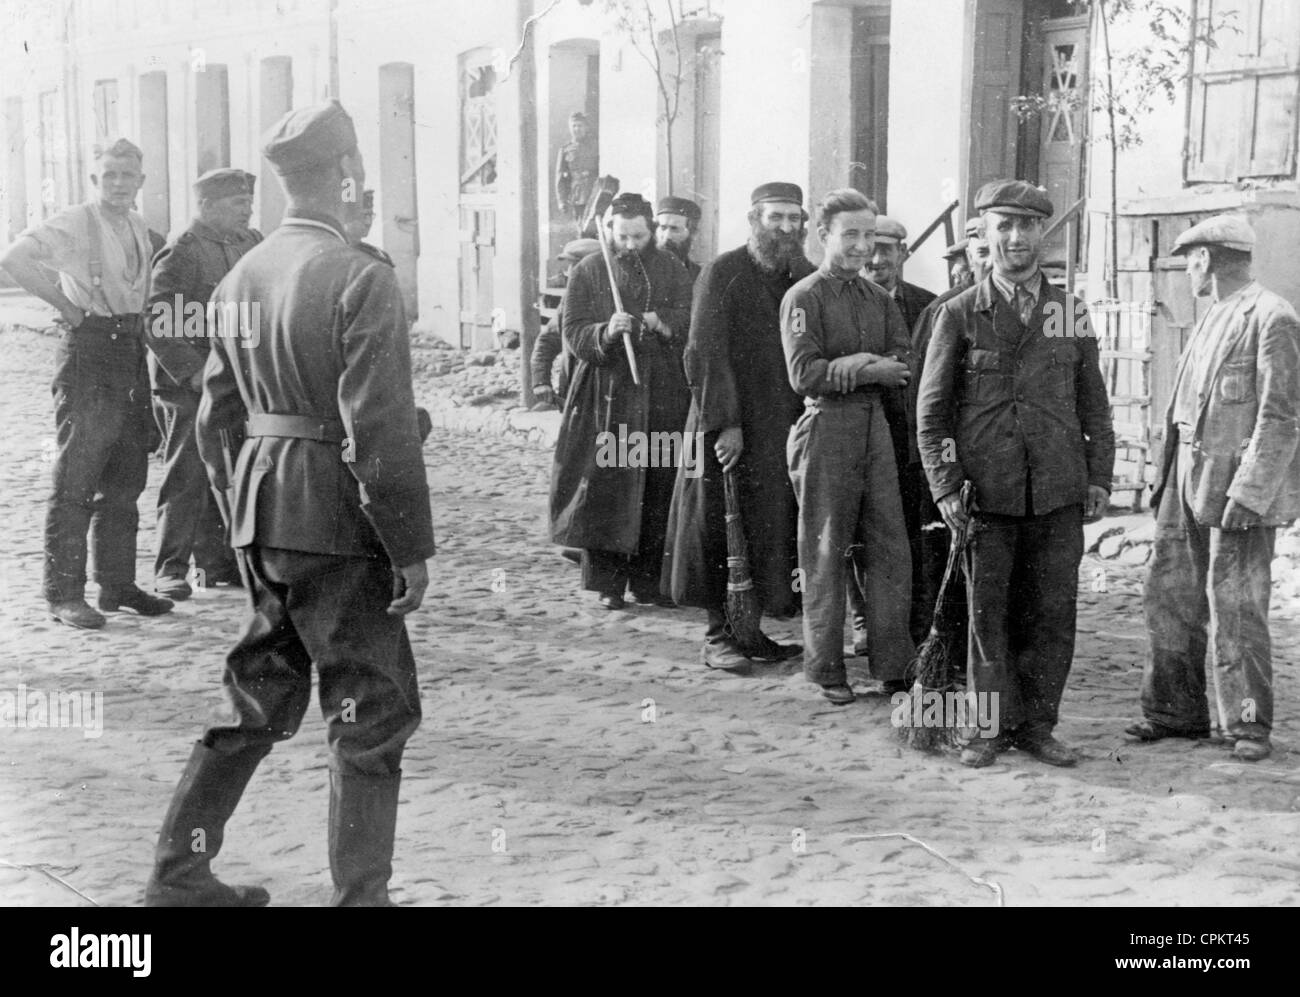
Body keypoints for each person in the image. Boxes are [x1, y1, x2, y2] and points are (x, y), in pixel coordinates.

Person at [144, 100, 435, 907]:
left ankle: (178, 875)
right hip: (340, 524)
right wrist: (410, 544)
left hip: (262, 514)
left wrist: (244, 506)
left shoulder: (241, 274)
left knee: (258, 701)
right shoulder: (361, 276)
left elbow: (213, 419)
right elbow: (377, 430)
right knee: (371, 714)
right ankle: (361, 899)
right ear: (345, 177)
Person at [917, 179, 1114, 768]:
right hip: (988, 494)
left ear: (1041, 234)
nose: (1017, 238)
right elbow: (933, 415)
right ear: (984, 234)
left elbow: (1094, 404)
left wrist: (1099, 475)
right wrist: (947, 485)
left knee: (1053, 614)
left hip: (1057, 490)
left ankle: (1038, 726)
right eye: (1004, 225)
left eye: (1027, 226)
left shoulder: (1066, 313)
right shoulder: (959, 314)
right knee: (988, 616)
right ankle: (987, 730)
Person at [1127, 214, 1300, 762]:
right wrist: (1164, 483)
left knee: (1237, 609)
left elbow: (1281, 418)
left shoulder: (1272, 317)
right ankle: (1174, 713)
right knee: (1171, 595)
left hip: (1236, 492)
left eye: (1191, 260)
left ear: (1206, 258)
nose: (1188, 270)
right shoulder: (1209, 317)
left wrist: (1250, 493)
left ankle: (1247, 726)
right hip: (1184, 480)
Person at [0, 138, 174, 629]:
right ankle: (64, 595)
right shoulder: (78, 222)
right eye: (109, 175)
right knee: (78, 475)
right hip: (90, 351)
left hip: (129, 350)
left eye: (128, 175)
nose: (118, 184)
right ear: (94, 180)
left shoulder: (137, 225)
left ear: (140, 182)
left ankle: (116, 585)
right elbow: (14, 257)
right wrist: (68, 308)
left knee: (125, 476)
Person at [662, 182, 814, 671]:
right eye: (776, 218)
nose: (786, 228)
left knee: (767, 526)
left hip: (781, 424)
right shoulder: (722, 272)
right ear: (755, 220)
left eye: (794, 218)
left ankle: (752, 631)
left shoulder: (804, 275)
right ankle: (717, 635)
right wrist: (725, 423)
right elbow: (702, 351)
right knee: (718, 524)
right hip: (725, 422)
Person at [781, 188, 915, 704]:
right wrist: (864, 364)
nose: (862, 247)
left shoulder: (879, 300)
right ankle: (825, 668)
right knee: (824, 549)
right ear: (823, 236)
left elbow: (901, 364)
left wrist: (853, 367)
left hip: (873, 428)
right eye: (850, 234)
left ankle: (893, 665)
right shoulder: (802, 298)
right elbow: (804, 375)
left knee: (888, 547)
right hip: (825, 430)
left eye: (868, 235)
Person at [550, 192, 692, 610]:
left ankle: (650, 583)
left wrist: (659, 322)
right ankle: (609, 584)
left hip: (661, 395)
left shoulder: (671, 268)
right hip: (606, 396)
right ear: (608, 229)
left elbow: (689, 316)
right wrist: (607, 331)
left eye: (639, 236)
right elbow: (573, 332)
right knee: (607, 486)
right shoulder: (591, 270)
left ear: (651, 232)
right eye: (623, 235)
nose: (631, 244)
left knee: (656, 483)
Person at [145, 167, 262, 600]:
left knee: (230, 465)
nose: (246, 209)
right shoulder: (183, 251)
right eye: (237, 203)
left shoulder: (251, 243)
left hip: (234, 380)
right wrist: (194, 373)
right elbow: (159, 321)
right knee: (187, 471)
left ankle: (217, 565)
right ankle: (169, 568)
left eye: (248, 202)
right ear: (207, 205)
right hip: (188, 386)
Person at [904, 215, 992, 657]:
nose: (991, 261)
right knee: (941, 555)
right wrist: (938, 465)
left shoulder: (1040, 310)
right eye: (981, 252)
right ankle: (939, 653)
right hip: (949, 457)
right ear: (968, 259)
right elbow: (926, 396)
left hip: (998, 462)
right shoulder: (948, 310)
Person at [851, 214, 937, 649]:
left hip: (907, 436)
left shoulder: (929, 305)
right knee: (856, 530)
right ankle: (863, 615)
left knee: (908, 529)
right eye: (871, 246)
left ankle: (911, 623)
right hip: (857, 431)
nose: (877, 257)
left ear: (903, 254)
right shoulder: (841, 299)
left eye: (888, 249)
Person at [530, 237, 600, 410]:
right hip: (574, 391)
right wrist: (541, 381)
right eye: (569, 267)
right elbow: (548, 340)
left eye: (576, 266)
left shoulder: (618, 301)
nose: (569, 272)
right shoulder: (569, 302)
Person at [555, 111, 598, 225]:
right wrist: (561, 201)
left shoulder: (595, 147)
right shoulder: (565, 149)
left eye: (580, 125)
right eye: (574, 126)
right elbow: (560, 177)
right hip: (578, 195)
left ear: (586, 128)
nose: (577, 129)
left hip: (595, 191)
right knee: (581, 227)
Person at [654, 195, 703, 284]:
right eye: (663, 227)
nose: (667, 236)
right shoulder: (640, 272)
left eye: (675, 229)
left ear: (693, 234)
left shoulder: (700, 277)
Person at [344, 188, 393, 266]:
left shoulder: (379, 256)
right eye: (363, 216)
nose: (368, 222)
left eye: (370, 215)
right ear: (347, 218)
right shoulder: (337, 255)